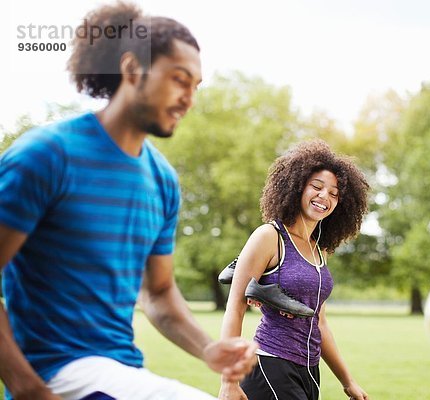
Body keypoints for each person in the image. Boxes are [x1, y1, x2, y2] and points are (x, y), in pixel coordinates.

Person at [0, 2, 257, 399]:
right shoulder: (47, 156)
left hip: (119, 371)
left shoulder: (162, 181)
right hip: (55, 374)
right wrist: (27, 387)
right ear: (132, 70)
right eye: (178, 79)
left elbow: (158, 293)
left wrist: (208, 349)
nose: (189, 98)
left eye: (195, 86)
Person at [219, 140, 370, 400]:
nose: (325, 197)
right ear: (298, 187)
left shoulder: (319, 251)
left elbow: (319, 323)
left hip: (309, 371)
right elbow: (235, 308)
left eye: (334, 193)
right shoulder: (269, 237)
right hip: (270, 363)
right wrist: (228, 381)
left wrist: (348, 382)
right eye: (317, 187)